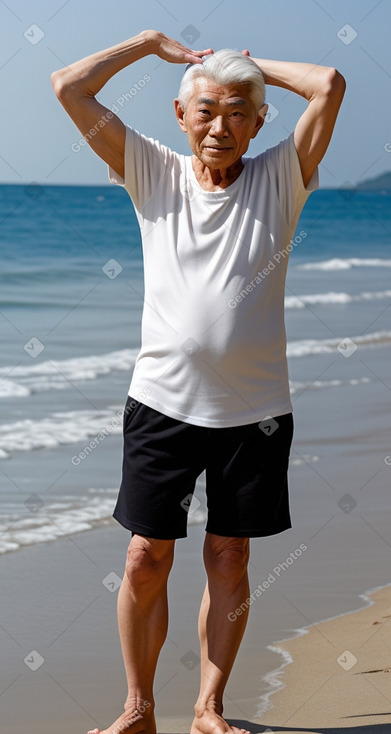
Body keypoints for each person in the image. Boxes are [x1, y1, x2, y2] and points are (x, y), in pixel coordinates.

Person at [51, 29, 345, 734]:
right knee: (145, 557)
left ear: (261, 119)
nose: (222, 126)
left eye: (239, 111)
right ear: (181, 118)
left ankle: (208, 708)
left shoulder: (284, 175)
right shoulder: (150, 170)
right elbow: (68, 86)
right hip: (161, 405)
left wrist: (246, 64)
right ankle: (138, 707)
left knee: (229, 555)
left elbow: (329, 81)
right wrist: (152, 46)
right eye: (207, 110)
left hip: (256, 411)